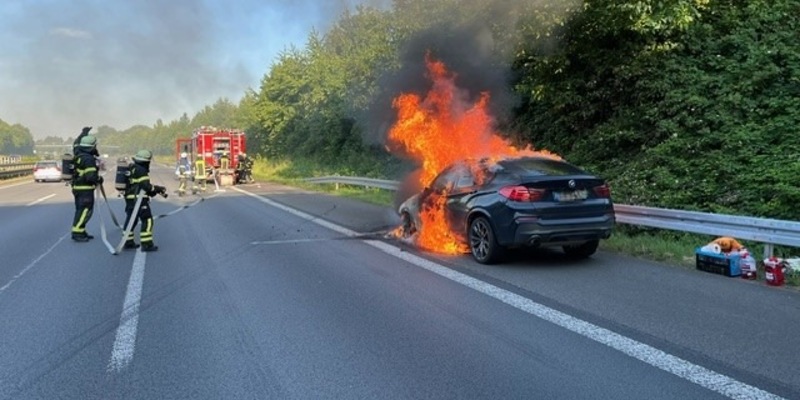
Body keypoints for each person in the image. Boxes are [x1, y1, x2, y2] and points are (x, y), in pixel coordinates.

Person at [122, 150, 165, 252]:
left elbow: (137, 184)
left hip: (129, 199)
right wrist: (156, 189)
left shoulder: (131, 167)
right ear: (146, 162)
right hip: (139, 200)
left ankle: (128, 242)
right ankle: (147, 244)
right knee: (147, 220)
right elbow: (145, 186)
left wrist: (151, 191)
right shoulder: (141, 170)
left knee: (131, 220)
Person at [70, 134, 102, 242]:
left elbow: (75, 145)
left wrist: (81, 134)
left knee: (80, 210)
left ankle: (81, 231)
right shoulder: (88, 159)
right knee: (85, 211)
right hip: (85, 189)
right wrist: (98, 180)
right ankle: (77, 232)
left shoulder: (79, 155)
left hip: (78, 188)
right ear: (91, 146)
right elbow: (91, 176)